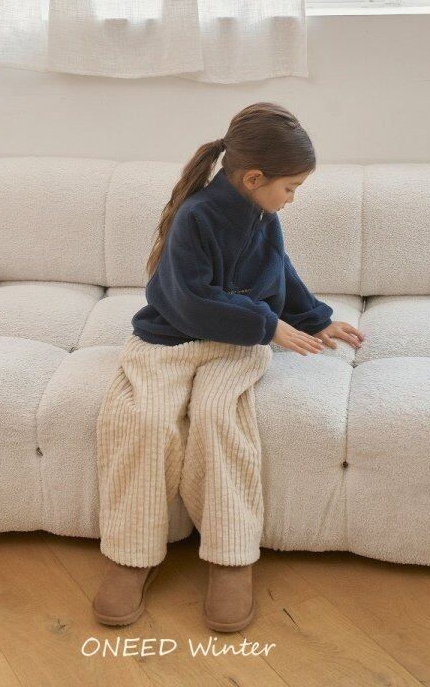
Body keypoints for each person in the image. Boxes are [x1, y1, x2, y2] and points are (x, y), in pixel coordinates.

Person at [92, 102, 365, 632]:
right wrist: (268, 326)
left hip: (235, 346)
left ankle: (230, 556)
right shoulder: (196, 216)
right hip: (171, 337)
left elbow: (280, 271)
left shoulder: (265, 216)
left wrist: (314, 318)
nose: (292, 198)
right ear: (253, 177)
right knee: (143, 420)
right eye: (290, 188)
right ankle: (130, 555)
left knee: (220, 418)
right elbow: (189, 298)